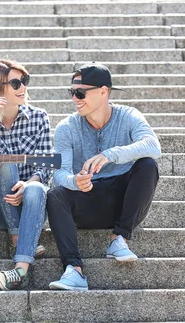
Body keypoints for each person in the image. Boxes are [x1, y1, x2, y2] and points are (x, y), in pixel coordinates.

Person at [47, 62, 161, 291]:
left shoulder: (128, 116)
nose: (75, 99)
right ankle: (74, 270)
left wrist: (110, 155)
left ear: (103, 91)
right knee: (55, 194)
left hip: (125, 203)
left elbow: (153, 145)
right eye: (72, 92)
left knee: (148, 165)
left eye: (80, 93)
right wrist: (74, 182)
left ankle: (119, 239)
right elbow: (59, 172)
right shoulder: (66, 127)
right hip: (88, 201)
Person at [0, 59, 52, 291]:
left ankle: (19, 269)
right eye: (16, 83)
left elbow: (46, 165)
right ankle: (21, 239)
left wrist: (28, 185)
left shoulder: (39, 117)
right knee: (3, 164)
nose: (23, 88)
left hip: (31, 206)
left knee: (37, 188)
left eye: (25, 81)